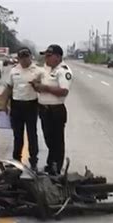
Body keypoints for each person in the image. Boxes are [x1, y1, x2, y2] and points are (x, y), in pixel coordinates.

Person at [0, 47, 43, 171]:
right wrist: (3, 104)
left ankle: (33, 161)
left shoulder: (38, 71)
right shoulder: (13, 71)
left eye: (26, 57)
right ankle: (16, 161)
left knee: (32, 134)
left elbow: (42, 89)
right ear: (18, 58)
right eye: (21, 58)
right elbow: (8, 89)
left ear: (30, 57)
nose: (24, 60)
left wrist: (37, 85)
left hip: (31, 105)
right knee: (18, 135)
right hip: (17, 105)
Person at [31, 45, 73, 175]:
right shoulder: (47, 70)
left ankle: (56, 167)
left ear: (58, 57)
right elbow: (41, 87)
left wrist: (46, 88)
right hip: (44, 109)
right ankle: (51, 164)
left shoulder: (63, 71)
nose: (46, 58)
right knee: (48, 138)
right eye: (46, 56)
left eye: (49, 56)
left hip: (56, 110)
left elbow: (63, 91)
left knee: (57, 140)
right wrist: (36, 86)